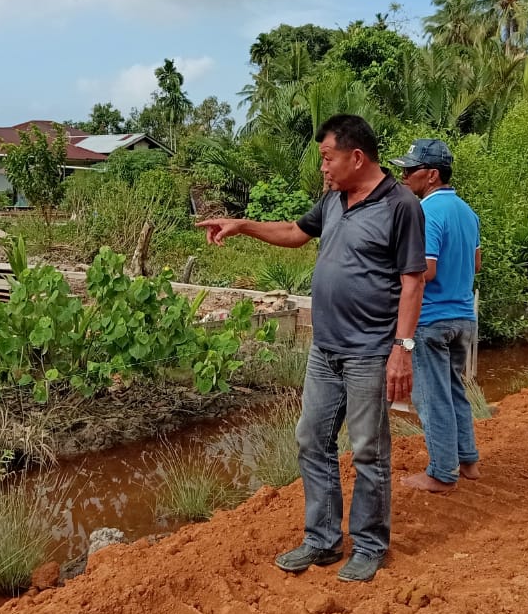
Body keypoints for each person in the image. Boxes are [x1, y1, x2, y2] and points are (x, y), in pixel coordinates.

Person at [198, 114, 426, 582]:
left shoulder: (401, 205)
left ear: (356, 157)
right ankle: (322, 540)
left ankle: (369, 544)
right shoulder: (333, 200)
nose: (323, 167)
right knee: (311, 440)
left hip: (369, 351)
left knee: (368, 450)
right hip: (325, 351)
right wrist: (242, 225)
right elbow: (295, 233)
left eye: (328, 158)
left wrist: (401, 349)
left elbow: (412, 281)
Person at [390, 139, 482, 493]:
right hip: (463, 318)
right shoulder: (466, 211)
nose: (404, 175)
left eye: (410, 170)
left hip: (432, 320)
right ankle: (467, 460)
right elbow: (476, 264)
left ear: (430, 175)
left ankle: (442, 472)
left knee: (431, 396)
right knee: (455, 389)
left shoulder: (425, 212)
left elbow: (424, 271)